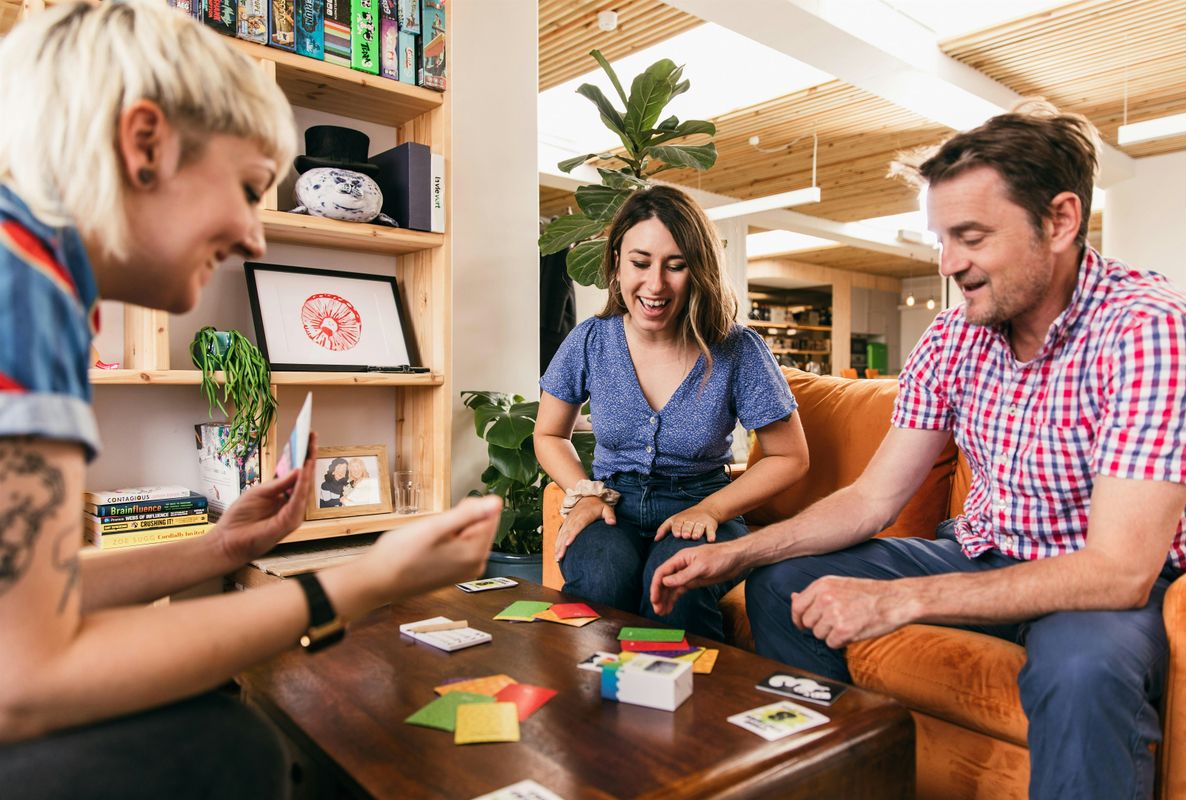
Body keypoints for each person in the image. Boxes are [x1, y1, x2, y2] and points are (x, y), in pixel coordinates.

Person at [0, 4, 500, 798]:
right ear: (145, 145)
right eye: (248, 187)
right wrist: (365, 582)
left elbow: (24, 603)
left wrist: (221, 549)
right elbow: (24, 678)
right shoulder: (20, 287)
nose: (257, 238)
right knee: (222, 749)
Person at [649, 101, 1186, 799]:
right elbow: (872, 499)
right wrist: (736, 554)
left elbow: (1119, 570)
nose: (949, 265)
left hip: (1108, 584)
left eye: (970, 237)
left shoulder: (1150, 329)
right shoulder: (953, 335)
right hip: (987, 548)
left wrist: (898, 601)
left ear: (1059, 221)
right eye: (941, 239)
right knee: (785, 585)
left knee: (1083, 668)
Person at [534, 185, 809, 642]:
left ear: (698, 269)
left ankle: (686, 707)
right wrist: (582, 491)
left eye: (676, 265)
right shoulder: (589, 340)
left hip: (701, 503)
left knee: (675, 583)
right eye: (640, 263)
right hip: (610, 503)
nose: (655, 284)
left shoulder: (737, 348)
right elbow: (549, 435)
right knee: (602, 579)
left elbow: (790, 457)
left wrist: (712, 509)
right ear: (617, 261)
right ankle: (589, 706)